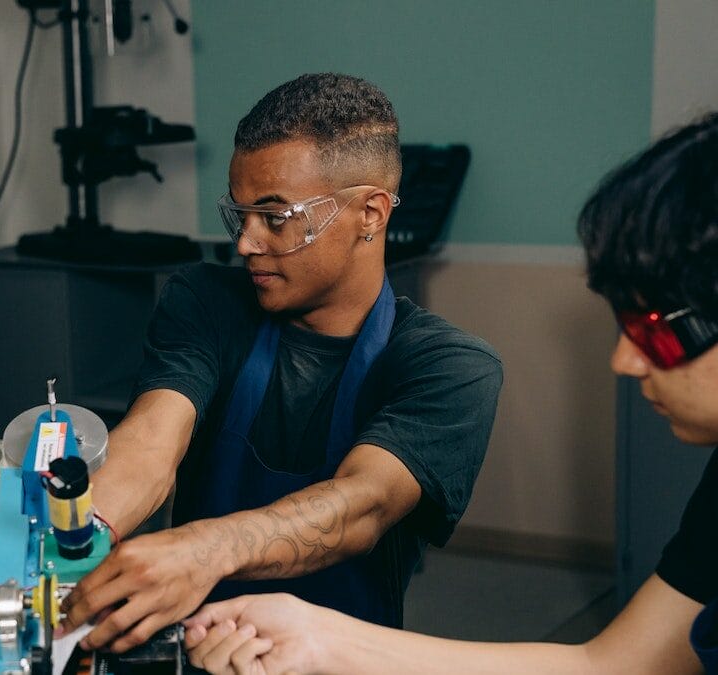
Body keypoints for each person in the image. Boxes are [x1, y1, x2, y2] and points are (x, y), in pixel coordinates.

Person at [183, 112, 718, 674]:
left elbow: (365, 502)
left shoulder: (450, 362)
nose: (624, 361)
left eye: (658, 328)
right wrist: (317, 639)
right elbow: (619, 665)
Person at [59, 73, 503, 652]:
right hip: (193, 652)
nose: (246, 243)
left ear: (370, 213)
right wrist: (77, 538)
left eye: (275, 216)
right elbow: (150, 442)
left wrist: (204, 551)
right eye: (240, 215)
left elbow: (358, 507)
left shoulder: (449, 367)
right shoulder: (206, 302)